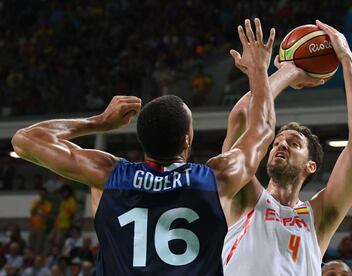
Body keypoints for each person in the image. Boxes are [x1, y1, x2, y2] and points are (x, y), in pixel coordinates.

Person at [12, 18, 277, 275]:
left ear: (142, 139)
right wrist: (259, 71)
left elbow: (25, 140)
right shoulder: (215, 179)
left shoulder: (108, 175)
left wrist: (99, 122)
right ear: (187, 140)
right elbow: (262, 128)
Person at [221, 20, 352, 275]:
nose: (281, 146)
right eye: (277, 142)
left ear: (310, 166)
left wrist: (346, 58)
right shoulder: (245, 197)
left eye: (293, 144)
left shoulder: (319, 217)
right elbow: (241, 117)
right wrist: (289, 72)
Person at [29, 187, 52, 255]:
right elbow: (32, 212)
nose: (42, 194)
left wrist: (41, 211)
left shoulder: (48, 203)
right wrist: (37, 205)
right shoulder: (35, 202)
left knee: (39, 245)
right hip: (33, 226)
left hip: (42, 227)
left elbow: (46, 215)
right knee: (31, 243)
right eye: (40, 192)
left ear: (46, 194)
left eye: (43, 193)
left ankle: (37, 257)